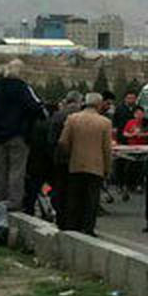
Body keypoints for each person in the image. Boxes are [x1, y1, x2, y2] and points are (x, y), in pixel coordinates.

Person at [0, 59, 45, 211]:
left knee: (0, 170)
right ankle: (13, 201)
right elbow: (36, 108)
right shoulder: (23, 88)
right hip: (18, 135)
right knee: (16, 170)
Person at [56, 92, 113, 235]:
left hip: (76, 163)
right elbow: (107, 148)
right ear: (99, 105)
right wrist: (107, 167)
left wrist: (71, 153)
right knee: (92, 199)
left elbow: (63, 141)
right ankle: (88, 228)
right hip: (96, 165)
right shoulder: (105, 122)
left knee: (74, 196)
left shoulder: (73, 119)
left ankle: (72, 225)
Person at [47, 91, 82, 225]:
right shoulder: (79, 117)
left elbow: (51, 140)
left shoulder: (58, 116)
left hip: (60, 158)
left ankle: (61, 218)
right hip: (76, 158)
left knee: (60, 188)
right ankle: (73, 219)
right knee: (74, 191)